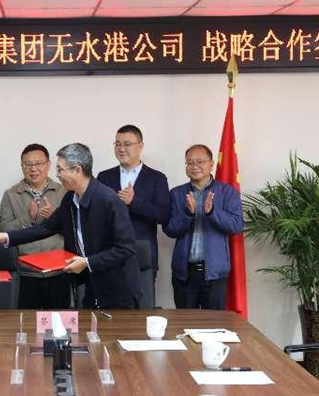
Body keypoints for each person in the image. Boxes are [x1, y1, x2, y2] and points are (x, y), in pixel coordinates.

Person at [0, 143, 141, 309]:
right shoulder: (70, 199)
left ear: (77, 170)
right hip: (92, 284)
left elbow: (126, 248)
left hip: (118, 288)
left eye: (60, 169)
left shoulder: (108, 200)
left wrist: (87, 262)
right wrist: (5, 237)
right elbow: (46, 228)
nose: (57, 175)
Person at [163, 144, 244, 310]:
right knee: (185, 323)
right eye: (190, 163)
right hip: (184, 274)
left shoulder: (228, 192)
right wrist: (188, 213)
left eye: (200, 162)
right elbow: (170, 229)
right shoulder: (176, 193)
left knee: (213, 324)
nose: (195, 166)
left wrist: (212, 212)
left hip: (215, 275)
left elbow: (236, 225)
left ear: (211, 164)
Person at [0, 144, 70, 309]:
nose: (33, 169)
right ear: (22, 166)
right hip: (26, 272)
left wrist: (55, 219)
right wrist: (27, 218)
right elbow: (4, 230)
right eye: (28, 164)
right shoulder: (11, 194)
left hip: (58, 270)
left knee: (59, 320)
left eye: (38, 163)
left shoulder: (64, 192)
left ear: (48, 165)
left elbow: (75, 229)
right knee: (27, 321)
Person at [97, 124, 170, 277]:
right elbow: (96, 213)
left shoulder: (157, 178)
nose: (121, 149)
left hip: (142, 255)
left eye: (127, 144)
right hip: (109, 253)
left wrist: (134, 202)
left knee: (143, 294)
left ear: (140, 146)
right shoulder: (104, 177)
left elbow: (163, 215)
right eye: (117, 144)